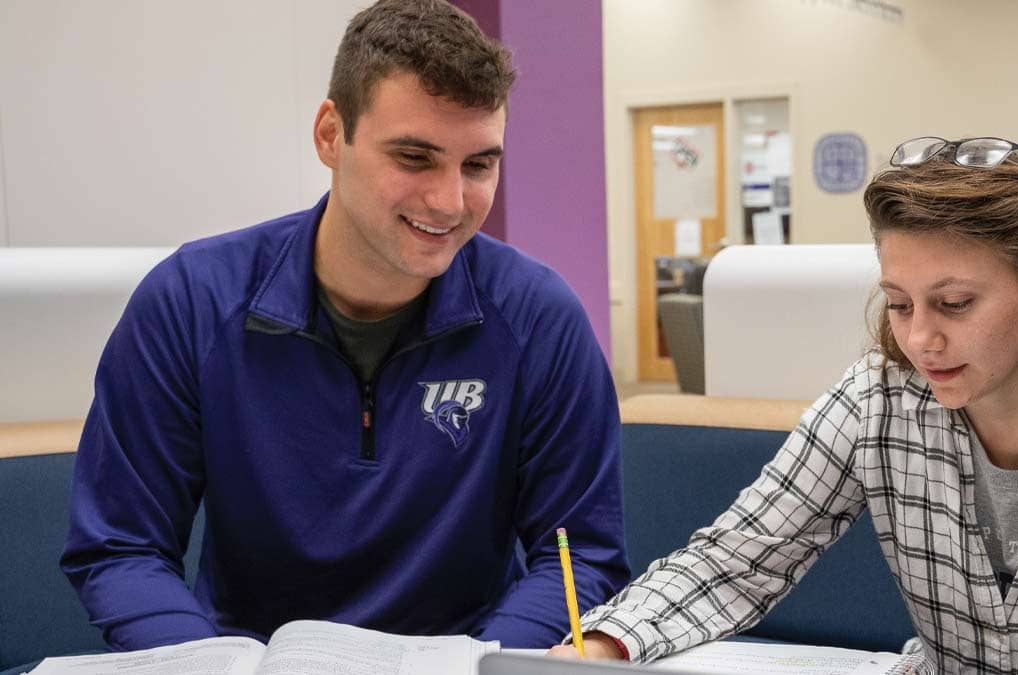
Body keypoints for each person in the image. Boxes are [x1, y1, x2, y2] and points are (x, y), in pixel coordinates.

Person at [549, 136, 1018, 672]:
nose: (920, 338)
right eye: (900, 302)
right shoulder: (875, 401)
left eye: (955, 303)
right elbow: (737, 559)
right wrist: (607, 642)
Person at [61, 0, 629, 649]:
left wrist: (484, 667)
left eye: (479, 164)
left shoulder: (538, 317)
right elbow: (122, 545)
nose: (450, 201)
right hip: (248, 663)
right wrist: (204, 666)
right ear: (331, 134)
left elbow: (580, 552)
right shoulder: (190, 300)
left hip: (466, 659)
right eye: (415, 157)